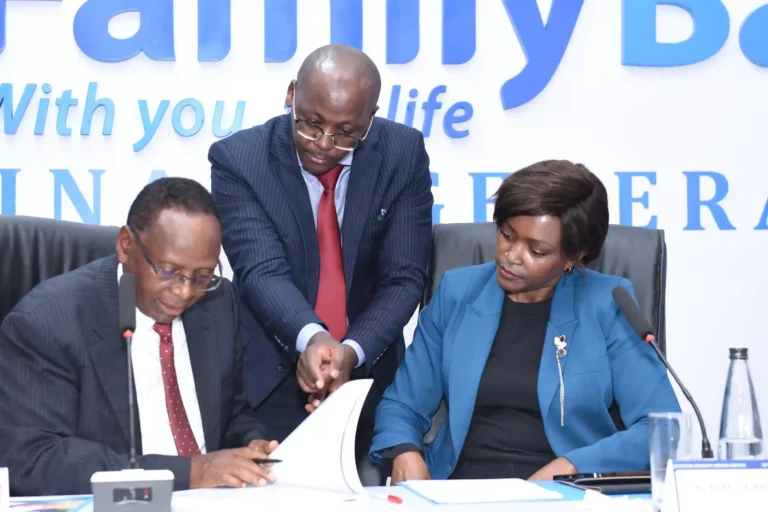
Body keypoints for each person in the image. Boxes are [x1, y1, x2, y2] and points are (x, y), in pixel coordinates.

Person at [369, 161, 682, 483]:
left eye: (536, 250)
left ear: (575, 255)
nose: (512, 255)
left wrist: (571, 466)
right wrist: (404, 450)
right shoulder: (458, 293)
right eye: (507, 235)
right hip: (461, 489)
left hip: (567, 492)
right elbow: (402, 404)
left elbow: (661, 428)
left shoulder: (609, 303)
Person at [208, 44, 433, 475]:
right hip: (271, 378)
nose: (325, 145)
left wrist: (350, 351)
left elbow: (404, 278)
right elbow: (261, 270)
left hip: (370, 374)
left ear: (372, 116)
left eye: (347, 132)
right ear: (291, 93)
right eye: (311, 124)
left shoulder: (403, 153)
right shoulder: (239, 159)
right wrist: (312, 339)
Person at [0, 178, 280, 496]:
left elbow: (232, 413)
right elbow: (32, 460)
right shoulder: (47, 323)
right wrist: (188, 473)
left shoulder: (218, 303)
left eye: (202, 276)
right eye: (168, 270)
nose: (185, 291)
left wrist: (251, 445)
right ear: (125, 245)